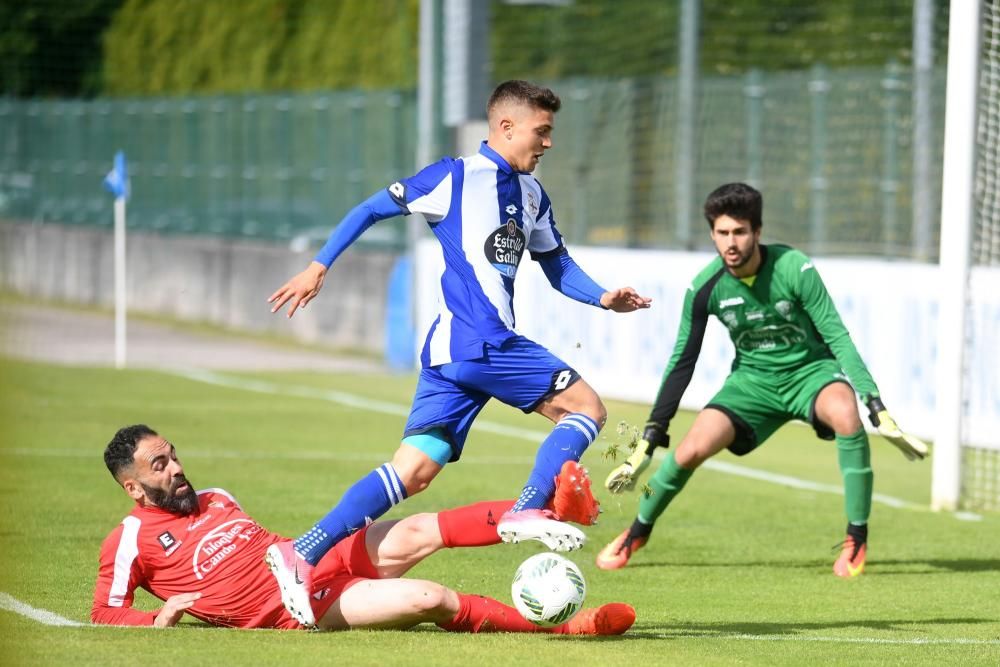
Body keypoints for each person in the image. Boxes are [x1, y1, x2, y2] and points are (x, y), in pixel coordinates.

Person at [266, 80, 650, 623]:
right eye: (542, 132)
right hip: (481, 339)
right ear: (506, 127)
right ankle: (529, 507)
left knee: (414, 470)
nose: (548, 144)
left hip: (451, 355)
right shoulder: (452, 177)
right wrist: (319, 264)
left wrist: (604, 297)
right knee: (587, 409)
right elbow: (371, 209)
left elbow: (558, 267)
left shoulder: (534, 196)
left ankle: (300, 552)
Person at [596, 183, 928, 578]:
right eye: (722, 233)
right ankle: (637, 532)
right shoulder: (705, 287)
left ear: (757, 231)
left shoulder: (795, 268)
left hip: (811, 373)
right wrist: (653, 433)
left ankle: (856, 537)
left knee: (846, 416)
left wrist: (875, 403)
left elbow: (837, 335)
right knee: (688, 452)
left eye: (739, 232)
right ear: (712, 234)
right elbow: (683, 361)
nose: (730, 243)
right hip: (751, 383)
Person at [93, 424, 636, 634]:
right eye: (159, 466)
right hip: (297, 608)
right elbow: (102, 612)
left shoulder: (216, 498)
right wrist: (156, 616)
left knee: (422, 527)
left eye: (173, 455)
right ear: (134, 488)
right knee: (431, 597)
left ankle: (545, 509)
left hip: (305, 559)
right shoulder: (128, 540)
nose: (177, 468)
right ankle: (565, 627)